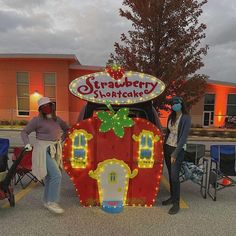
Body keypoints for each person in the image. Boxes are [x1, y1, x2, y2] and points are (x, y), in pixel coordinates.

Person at [21, 97, 69, 214]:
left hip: (54, 149)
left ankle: (47, 201)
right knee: (56, 175)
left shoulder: (57, 119)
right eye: (43, 107)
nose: (46, 108)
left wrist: (62, 140)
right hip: (42, 149)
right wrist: (27, 144)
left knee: (50, 176)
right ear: (40, 109)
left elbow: (67, 129)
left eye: (48, 106)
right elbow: (24, 132)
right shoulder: (36, 120)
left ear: (52, 107)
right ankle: (52, 202)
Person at [162, 96, 191, 215]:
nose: (174, 105)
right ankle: (172, 198)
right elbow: (168, 133)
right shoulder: (171, 116)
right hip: (168, 147)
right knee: (170, 174)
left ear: (181, 103)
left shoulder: (186, 118)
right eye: (172, 103)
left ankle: (176, 204)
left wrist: (175, 153)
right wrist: (164, 147)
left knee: (174, 176)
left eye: (176, 103)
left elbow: (183, 137)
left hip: (177, 150)